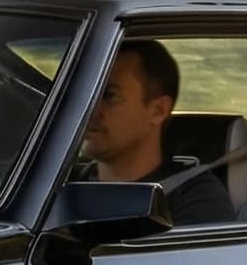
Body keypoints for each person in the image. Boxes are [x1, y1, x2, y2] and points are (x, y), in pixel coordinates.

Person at [78, 38, 236, 225]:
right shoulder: (59, 185)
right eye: (86, 94)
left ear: (158, 110)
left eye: (109, 95)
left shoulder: (196, 200)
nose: (89, 110)